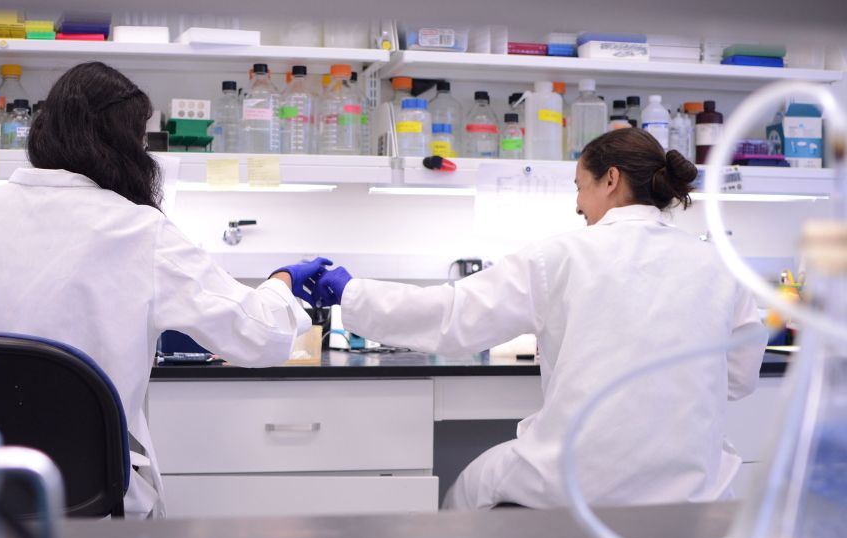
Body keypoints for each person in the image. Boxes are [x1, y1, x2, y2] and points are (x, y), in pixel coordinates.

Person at [0, 62, 329, 518]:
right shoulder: (137, 230)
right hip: (92, 502)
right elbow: (258, 336)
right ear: (123, 144)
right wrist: (282, 285)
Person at [309, 128, 768, 509]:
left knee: (465, 492)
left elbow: (452, 318)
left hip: (578, 486)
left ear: (610, 180)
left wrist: (350, 292)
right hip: (695, 494)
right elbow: (740, 380)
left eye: (578, 187)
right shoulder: (721, 266)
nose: (576, 205)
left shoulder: (562, 256)